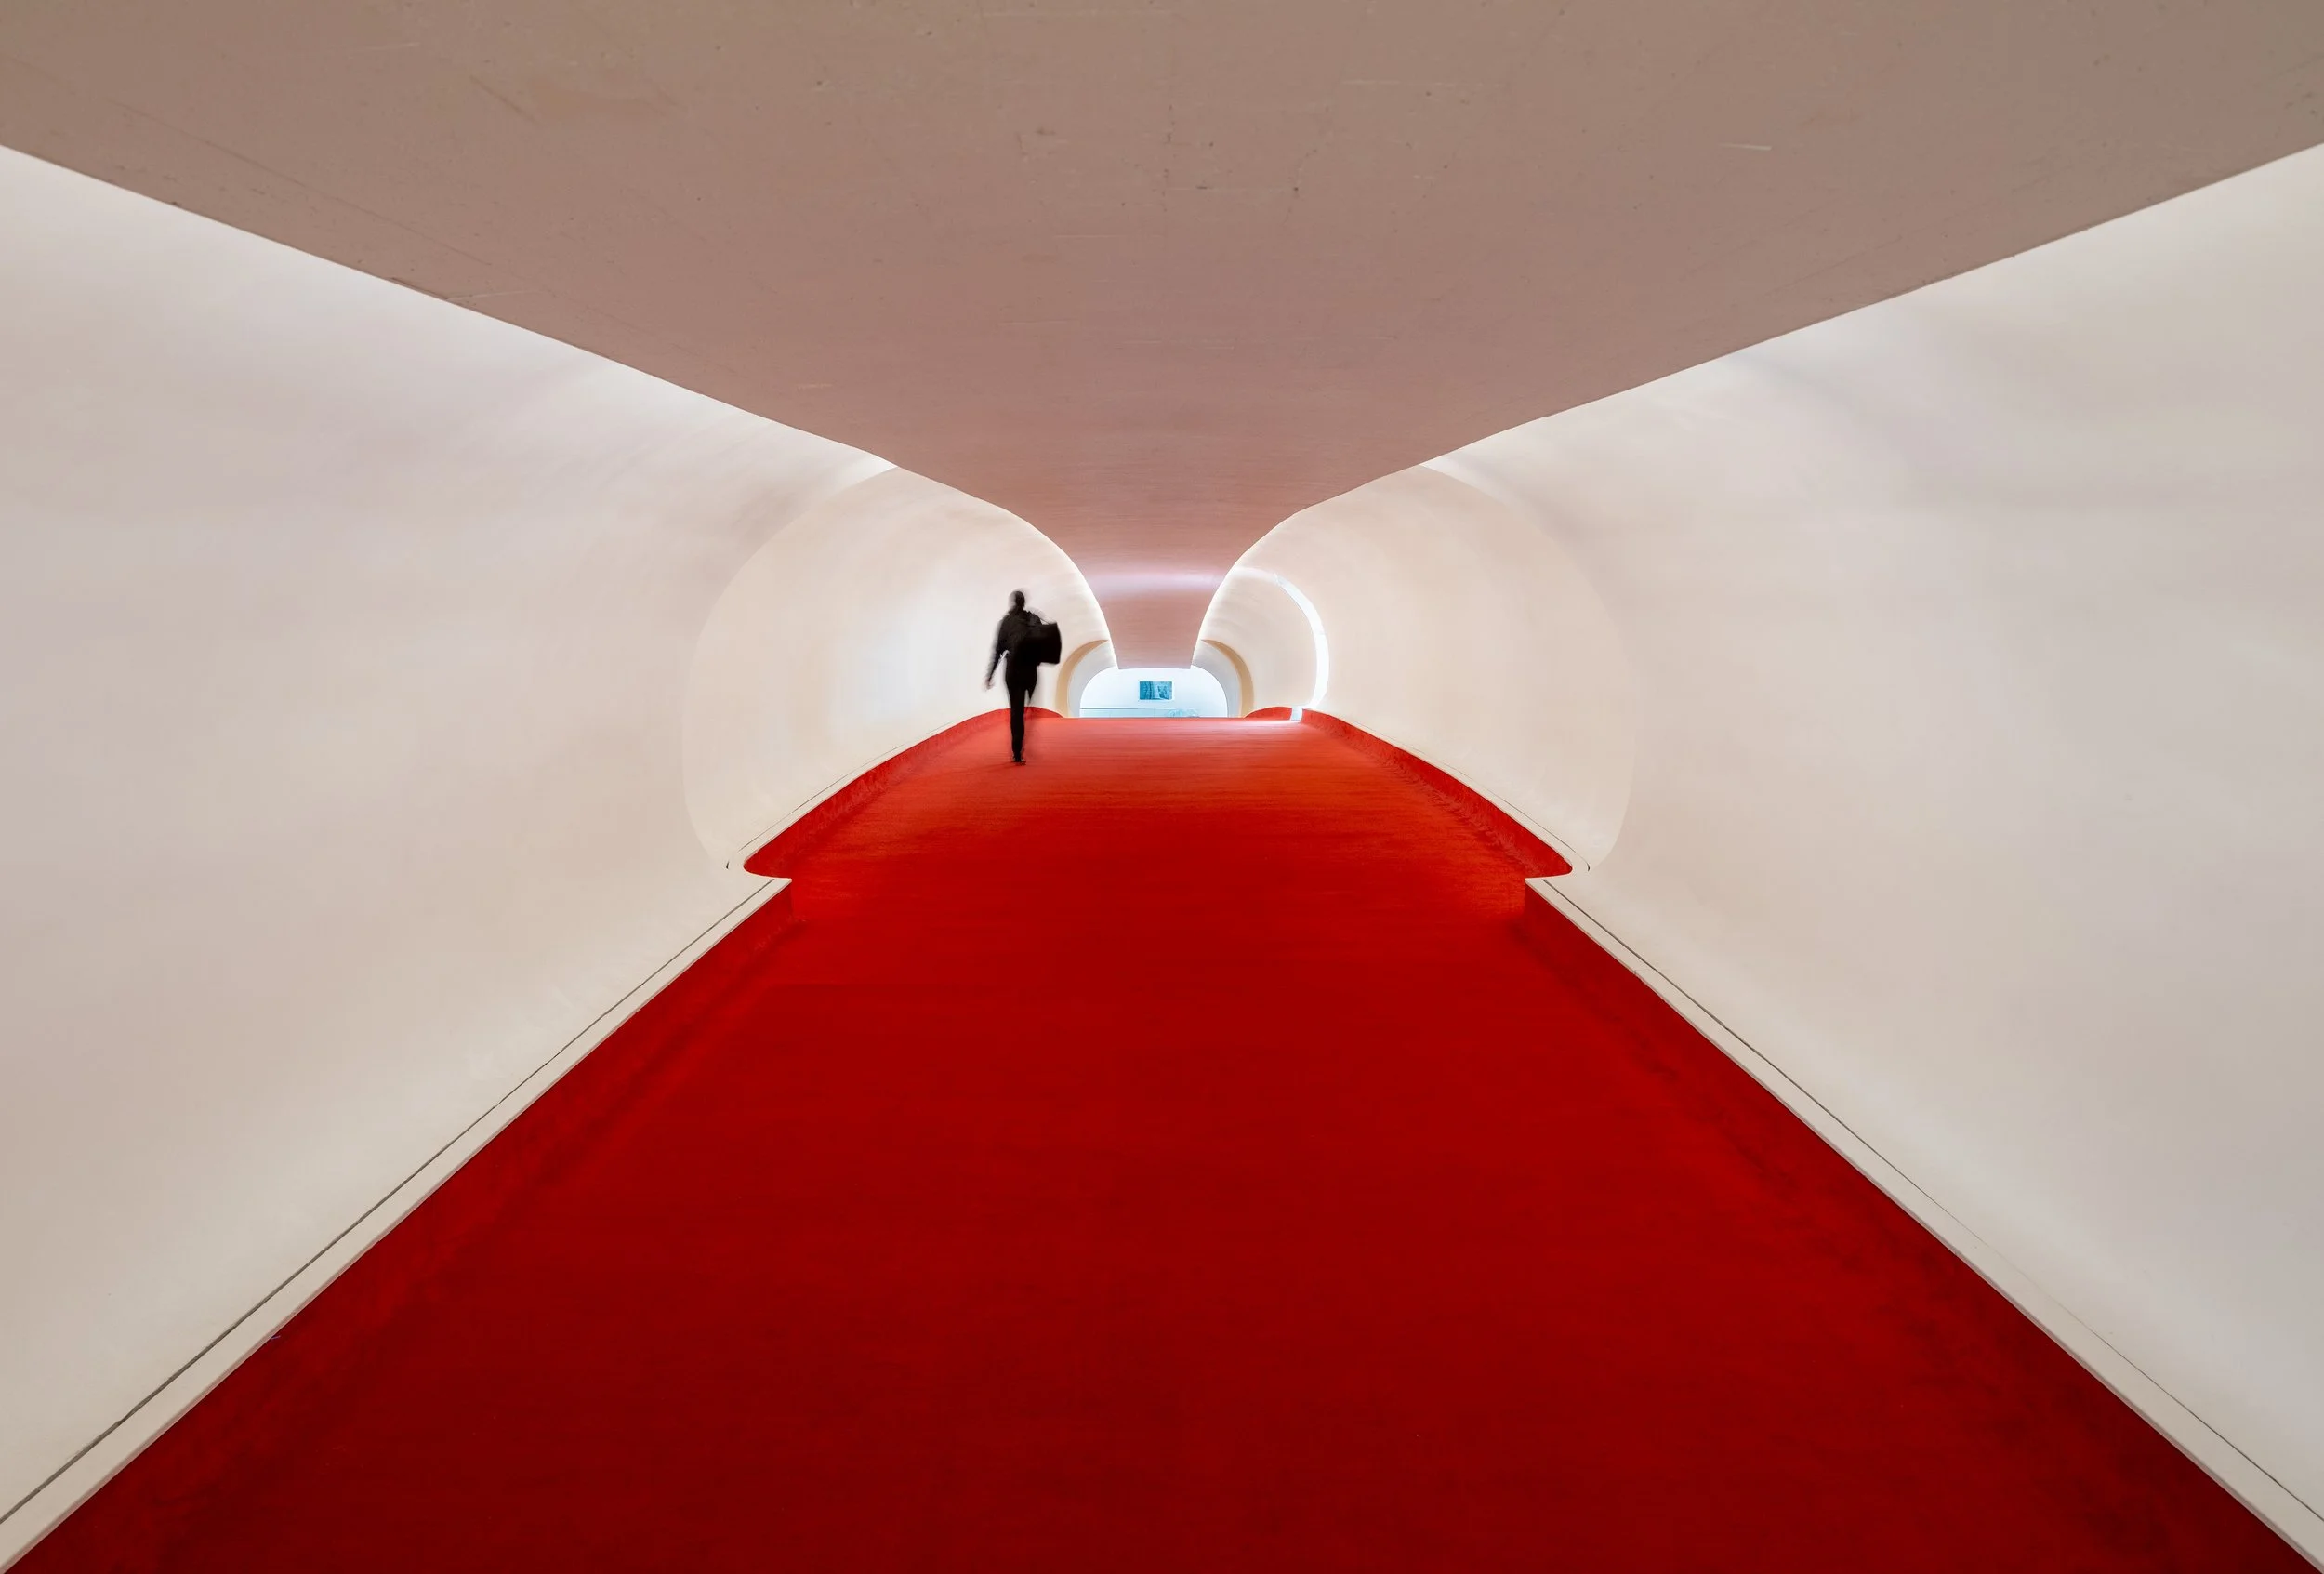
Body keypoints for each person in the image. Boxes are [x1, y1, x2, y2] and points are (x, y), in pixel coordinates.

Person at [985, 590, 1046, 763]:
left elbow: (998, 650)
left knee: (1016, 712)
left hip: (1012, 668)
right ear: (1024, 602)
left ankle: (1017, 751)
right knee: (1028, 704)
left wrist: (990, 674)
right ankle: (1029, 711)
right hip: (1029, 669)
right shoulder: (1033, 619)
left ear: (1013, 602)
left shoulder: (1006, 622)